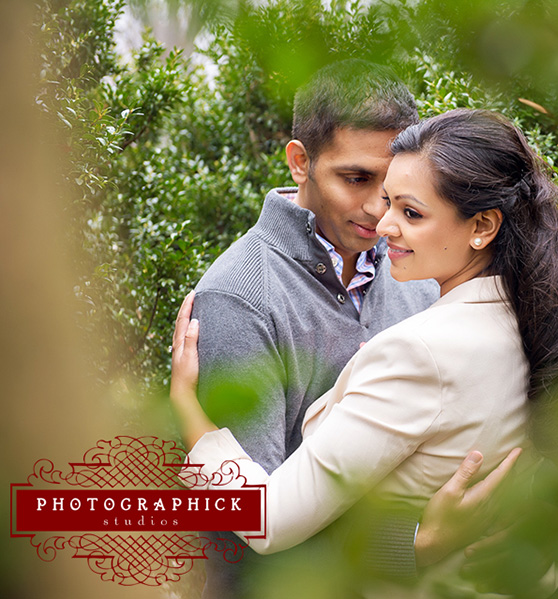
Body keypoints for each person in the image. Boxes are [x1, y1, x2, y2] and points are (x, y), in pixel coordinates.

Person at [171, 108, 558, 597]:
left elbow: (268, 519)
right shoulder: (534, 319)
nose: (381, 225)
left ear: (483, 226)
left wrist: (190, 414)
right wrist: (417, 541)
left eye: (410, 211)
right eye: (384, 199)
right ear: (300, 163)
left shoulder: (421, 345)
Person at [187, 61, 518, 597]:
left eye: (392, 190)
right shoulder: (241, 298)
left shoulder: (416, 266)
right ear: (301, 162)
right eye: (356, 179)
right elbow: (248, 524)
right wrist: (416, 541)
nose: (377, 210)